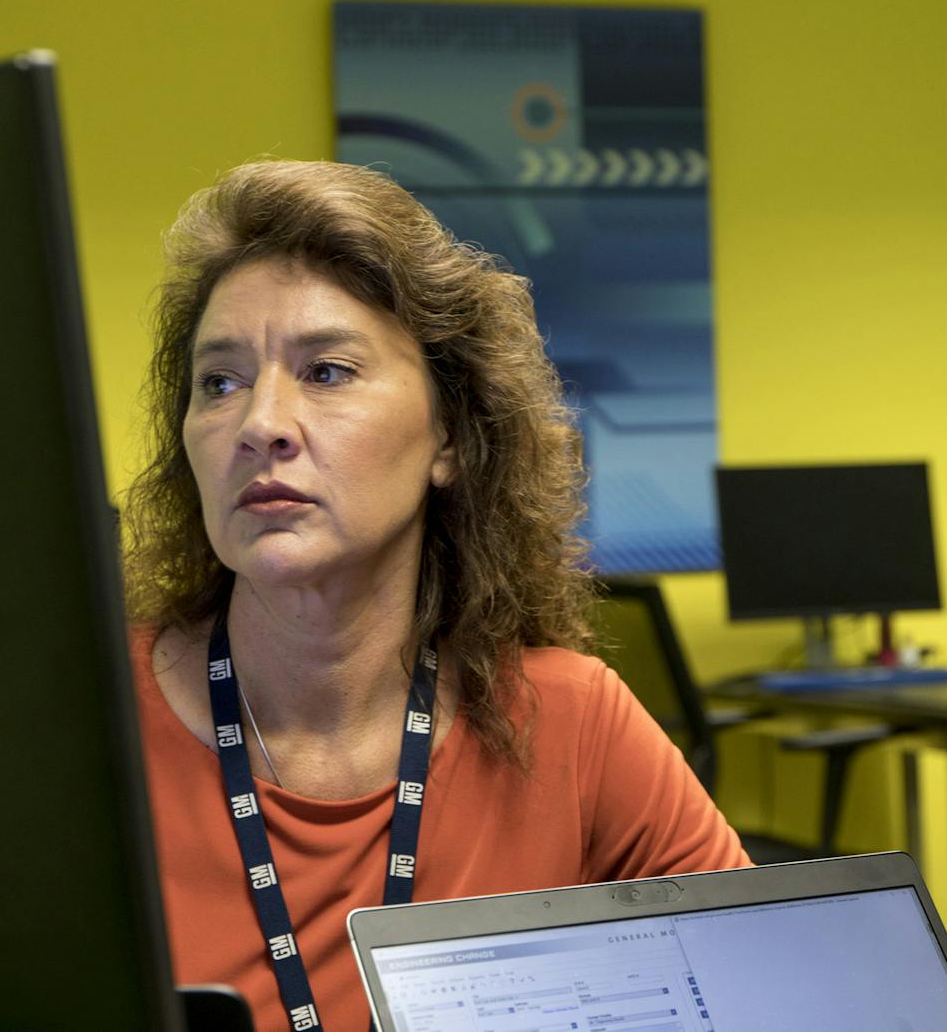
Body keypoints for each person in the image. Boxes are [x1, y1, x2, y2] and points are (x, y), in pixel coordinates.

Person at [122, 159, 749, 1032]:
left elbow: (766, 990)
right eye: (219, 382)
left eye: (327, 370)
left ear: (449, 435)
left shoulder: (571, 720)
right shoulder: (81, 726)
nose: (260, 422)